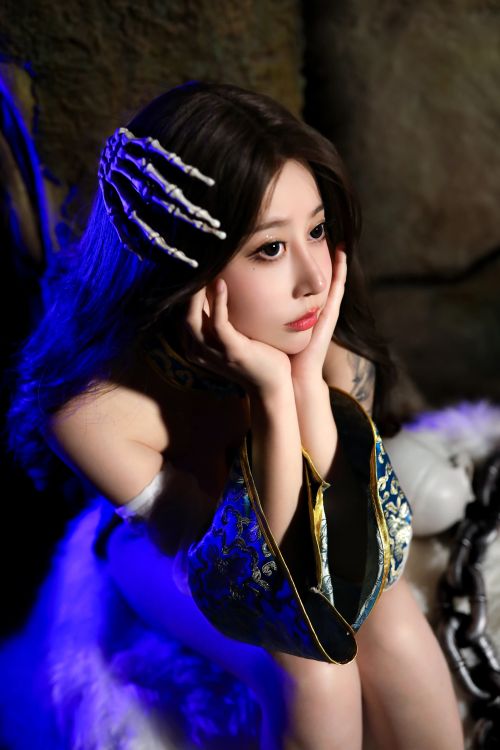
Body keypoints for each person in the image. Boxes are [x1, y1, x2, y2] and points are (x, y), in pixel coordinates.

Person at [7, 81, 464, 749]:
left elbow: (342, 527)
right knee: (312, 667)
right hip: (172, 554)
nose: (314, 278)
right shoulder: (92, 408)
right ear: (183, 266)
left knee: (389, 616)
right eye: (269, 249)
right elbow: (251, 578)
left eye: (317, 230)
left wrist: (302, 382)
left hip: (282, 526)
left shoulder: (322, 340)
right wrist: (274, 395)